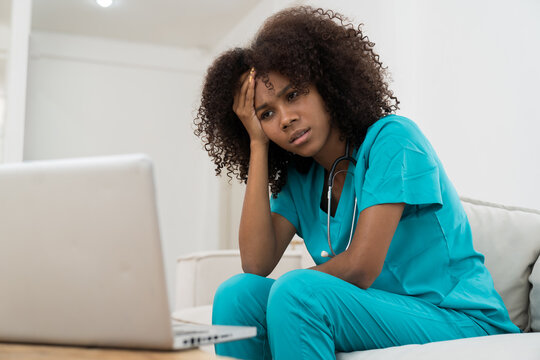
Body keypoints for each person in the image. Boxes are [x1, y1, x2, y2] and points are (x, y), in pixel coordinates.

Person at [193, 6, 520, 360]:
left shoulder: (393, 140)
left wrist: (291, 291)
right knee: (237, 295)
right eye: (266, 114)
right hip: (378, 314)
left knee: (298, 291)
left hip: (459, 320)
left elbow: (362, 266)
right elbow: (256, 264)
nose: (286, 119)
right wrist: (257, 144)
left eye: (294, 95)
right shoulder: (302, 179)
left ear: (327, 87)